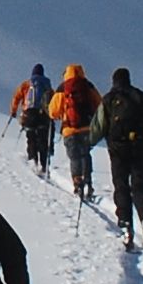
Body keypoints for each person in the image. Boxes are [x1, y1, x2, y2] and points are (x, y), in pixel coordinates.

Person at [99, 66, 143, 250]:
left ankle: (127, 226)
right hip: (139, 147)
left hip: (117, 150)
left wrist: (87, 143)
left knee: (121, 186)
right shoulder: (140, 96)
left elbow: (98, 126)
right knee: (138, 186)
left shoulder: (108, 99)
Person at [51, 61, 102, 202]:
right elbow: (100, 104)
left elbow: (53, 111)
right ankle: (88, 183)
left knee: (74, 157)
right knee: (85, 154)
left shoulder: (62, 88)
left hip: (69, 129)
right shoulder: (88, 85)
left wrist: (59, 115)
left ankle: (77, 183)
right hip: (87, 128)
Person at [10, 65, 54, 178]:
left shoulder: (26, 84)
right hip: (43, 115)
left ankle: (33, 160)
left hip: (29, 114)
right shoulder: (47, 85)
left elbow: (17, 97)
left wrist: (13, 111)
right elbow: (53, 100)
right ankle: (44, 165)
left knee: (31, 137)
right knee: (43, 139)